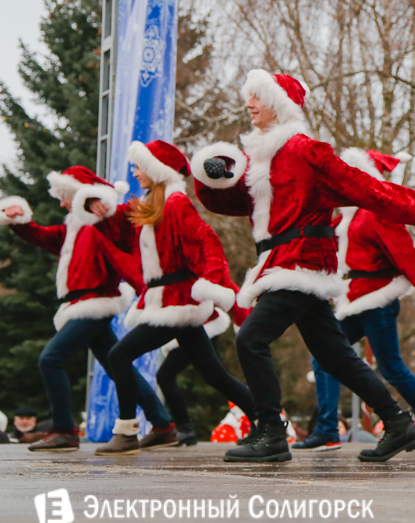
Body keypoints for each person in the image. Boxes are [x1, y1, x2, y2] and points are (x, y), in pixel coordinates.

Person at [190, 69, 415, 463]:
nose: (249, 104)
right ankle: (398, 424)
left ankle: (272, 433)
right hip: (280, 261)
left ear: (278, 103)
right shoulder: (259, 160)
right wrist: (215, 177)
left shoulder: (304, 150)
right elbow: (232, 203)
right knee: (336, 356)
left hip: (301, 261)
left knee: (251, 339)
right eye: (249, 97)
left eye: (257, 96)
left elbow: (366, 187)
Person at [93, 140, 257, 455]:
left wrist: (215, 283)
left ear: (156, 169)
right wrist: (101, 211)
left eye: (141, 166)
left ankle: (127, 431)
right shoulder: (151, 203)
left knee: (118, 355)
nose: (136, 172)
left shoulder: (176, 202)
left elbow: (206, 240)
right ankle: (266, 420)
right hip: (165, 300)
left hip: (177, 302)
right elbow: (122, 233)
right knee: (214, 374)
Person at [0, 167, 171, 452]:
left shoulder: (101, 222)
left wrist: (93, 202)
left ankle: (65, 430)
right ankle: (163, 424)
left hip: (95, 302)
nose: (62, 204)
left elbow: (122, 239)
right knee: (117, 365)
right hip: (81, 304)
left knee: (50, 359)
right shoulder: (73, 228)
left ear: (79, 195)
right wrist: (19, 220)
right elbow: (43, 236)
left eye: (65, 197)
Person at [295, 148, 415, 453]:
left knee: (391, 368)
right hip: (353, 300)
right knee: (324, 357)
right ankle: (327, 430)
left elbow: (406, 254)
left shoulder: (377, 213)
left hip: (378, 300)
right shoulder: (347, 216)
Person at [155, 305, 240, 446]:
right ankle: (185, 429)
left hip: (197, 323)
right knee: (217, 377)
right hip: (191, 322)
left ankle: (260, 420)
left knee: (217, 378)